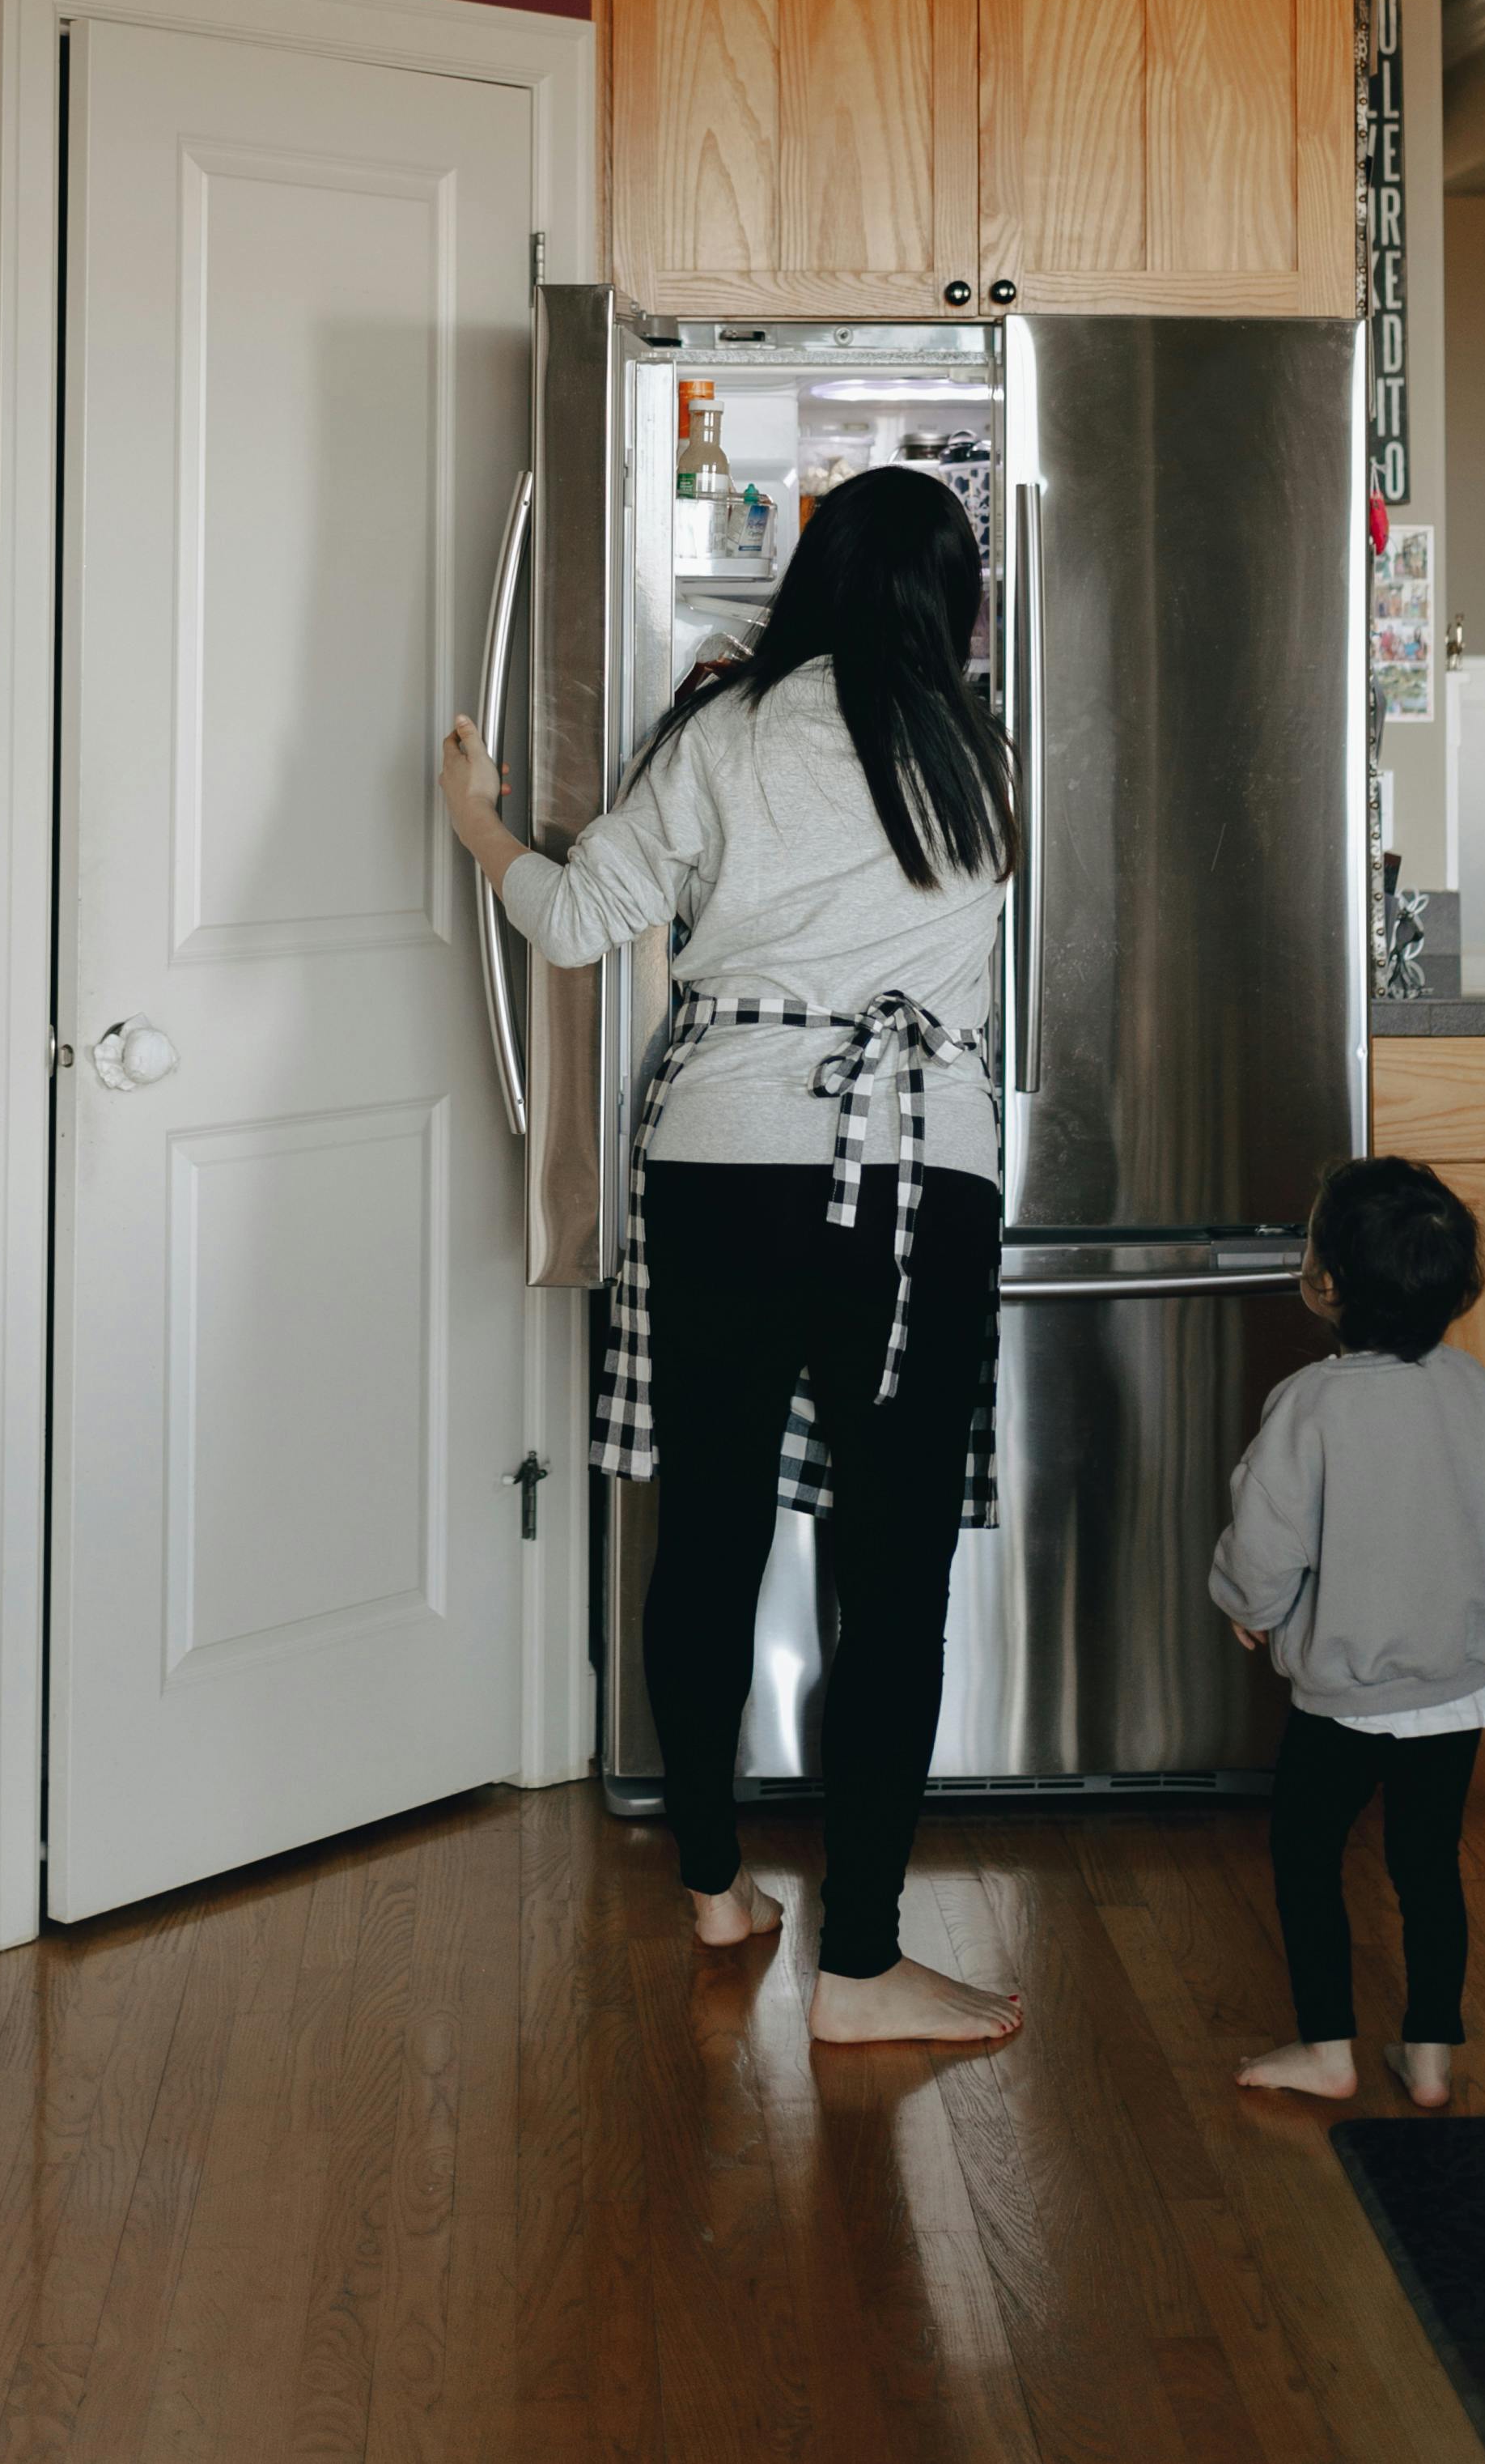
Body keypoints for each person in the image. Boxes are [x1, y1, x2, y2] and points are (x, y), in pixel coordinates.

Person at [439, 465, 1023, 2047]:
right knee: (891, 1575)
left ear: (810, 580)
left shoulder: (725, 728)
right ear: (956, 603)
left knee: (707, 1535)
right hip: (913, 1185)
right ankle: (865, 1967)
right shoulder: (980, 755)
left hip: (719, 1167)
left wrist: (480, 821)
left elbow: (571, 922)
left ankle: (715, 1884)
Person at [1210, 1156, 1485, 2109]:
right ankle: (1431, 2053)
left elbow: (1265, 1544)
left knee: (1307, 1857)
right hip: (1459, 1685)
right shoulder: (1479, 1392)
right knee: (1428, 1866)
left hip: (1348, 1695)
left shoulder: (1311, 1405)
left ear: (1324, 1284)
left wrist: (1248, 1606)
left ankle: (1328, 2049)